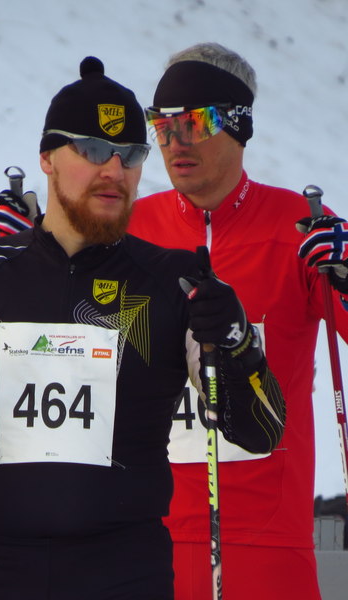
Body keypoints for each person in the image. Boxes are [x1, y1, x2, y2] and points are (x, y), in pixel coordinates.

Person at [0, 56, 285, 600]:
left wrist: (239, 345)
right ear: (47, 159)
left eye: (131, 155)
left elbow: (262, 431)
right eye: (93, 150)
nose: (114, 171)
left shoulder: (174, 280)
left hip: (125, 576)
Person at [127, 43, 348, 600]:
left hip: (268, 547)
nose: (176, 142)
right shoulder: (127, 229)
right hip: (139, 540)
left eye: (195, 123)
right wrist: (18, 246)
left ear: (239, 124)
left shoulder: (301, 229)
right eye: (162, 125)